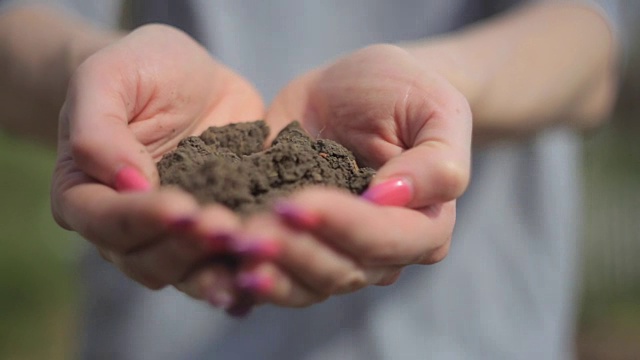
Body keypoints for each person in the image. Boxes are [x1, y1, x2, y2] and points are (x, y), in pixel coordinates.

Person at [0, 0, 622, 359]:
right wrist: (95, 74)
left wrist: (440, 87)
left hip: (467, 329)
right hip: (168, 320)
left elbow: (590, 40)